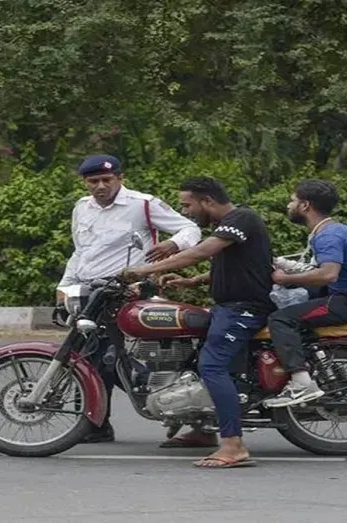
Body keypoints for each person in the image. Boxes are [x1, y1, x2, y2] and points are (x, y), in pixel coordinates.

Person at [124, 176, 275, 469]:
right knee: (193, 360)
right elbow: (241, 266)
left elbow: (201, 251)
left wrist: (142, 270)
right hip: (228, 307)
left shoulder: (241, 218)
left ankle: (233, 446)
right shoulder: (230, 224)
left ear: (207, 201)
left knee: (212, 366)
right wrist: (192, 281)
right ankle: (203, 430)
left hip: (244, 309)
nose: (186, 212)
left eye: (187, 205)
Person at [57, 154, 202, 443]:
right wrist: (65, 285)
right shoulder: (82, 208)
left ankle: (100, 422)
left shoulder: (143, 204)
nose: (100, 186)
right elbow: (80, 251)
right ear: (84, 182)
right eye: (93, 181)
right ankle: (102, 421)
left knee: (107, 357)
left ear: (120, 178)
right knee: (89, 357)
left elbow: (191, 229)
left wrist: (173, 244)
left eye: (106, 180)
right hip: (90, 293)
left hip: (127, 292)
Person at [261, 180, 347, 407]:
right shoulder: (331, 230)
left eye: (292, 200)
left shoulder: (328, 235)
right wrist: (283, 265)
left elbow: (328, 274)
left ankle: (301, 382)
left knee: (281, 319)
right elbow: (315, 270)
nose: (289, 205)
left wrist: (284, 279)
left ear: (305, 205)